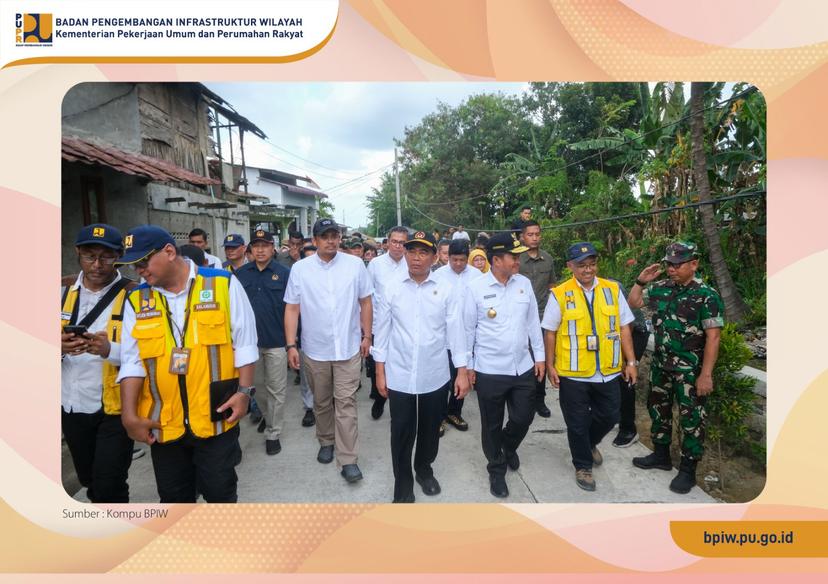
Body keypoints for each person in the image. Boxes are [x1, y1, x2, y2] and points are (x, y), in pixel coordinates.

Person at [117, 225, 258, 503]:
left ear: (169, 252)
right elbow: (132, 361)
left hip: (215, 416)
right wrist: (129, 416)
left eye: (143, 262)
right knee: (174, 500)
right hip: (163, 421)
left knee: (220, 495)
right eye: (134, 266)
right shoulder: (137, 299)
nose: (139, 271)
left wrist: (244, 393)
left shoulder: (222, 283)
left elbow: (245, 344)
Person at [373, 231, 470, 503]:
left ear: (435, 256)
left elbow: (456, 333)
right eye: (412, 251)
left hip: (434, 373)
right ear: (405, 254)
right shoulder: (392, 287)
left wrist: (462, 371)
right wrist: (380, 371)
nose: (416, 257)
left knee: (430, 430)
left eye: (423, 252)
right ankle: (402, 484)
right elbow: (382, 331)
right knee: (401, 431)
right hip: (400, 372)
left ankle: (424, 470)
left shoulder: (445, 289)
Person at [627, 241, 724, 494]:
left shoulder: (707, 295)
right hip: (661, 365)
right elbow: (633, 302)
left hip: (690, 370)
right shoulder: (661, 288)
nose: (672, 268)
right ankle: (661, 456)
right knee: (658, 410)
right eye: (669, 264)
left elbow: (713, 337)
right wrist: (640, 281)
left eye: (678, 264)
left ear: (694, 264)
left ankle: (688, 471)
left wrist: (706, 374)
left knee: (692, 418)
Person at [542, 242, 638, 492]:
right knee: (576, 422)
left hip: (607, 370)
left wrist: (630, 362)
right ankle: (583, 466)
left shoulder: (612, 289)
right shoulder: (560, 294)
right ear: (570, 267)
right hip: (572, 372)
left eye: (592, 264)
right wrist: (550, 365)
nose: (588, 270)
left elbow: (624, 327)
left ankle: (589, 443)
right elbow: (550, 332)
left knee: (610, 415)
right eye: (582, 265)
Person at [284, 218, 373, 483]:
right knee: (322, 401)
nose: (331, 241)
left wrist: (367, 336)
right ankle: (326, 440)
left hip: (348, 348)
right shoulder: (300, 269)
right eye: (325, 236)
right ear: (315, 240)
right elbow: (292, 308)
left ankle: (348, 459)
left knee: (346, 403)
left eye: (335, 236)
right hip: (315, 349)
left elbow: (366, 302)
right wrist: (291, 345)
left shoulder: (355, 265)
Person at [463, 233, 545, 499]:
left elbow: (532, 322)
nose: (518, 260)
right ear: (496, 260)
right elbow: (467, 330)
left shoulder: (523, 284)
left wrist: (540, 357)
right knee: (491, 425)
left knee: (523, 417)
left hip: (522, 366)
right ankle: (496, 469)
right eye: (513, 256)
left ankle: (508, 447)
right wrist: (468, 367)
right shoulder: (475, 288)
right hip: (490, 369)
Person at [61, 224, 136, 503]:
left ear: (119, 255)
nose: (97, 265)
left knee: (110, 484)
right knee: (89, 480)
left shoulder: (135, 294)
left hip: (113, 407)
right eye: (90, 256)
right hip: (71, 403)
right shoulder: (60, 289)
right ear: (77, 252)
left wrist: (109, 350)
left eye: (106, 257)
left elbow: (146, 353)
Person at [235, 230, 292, 456]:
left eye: (265, 245)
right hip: (249, 344)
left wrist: (292, 340)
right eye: (256, 246)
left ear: (272, 248)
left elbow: (292, 308)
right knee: (256, 388)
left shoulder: (284, 273)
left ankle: (273, 433)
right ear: (250, 249)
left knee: (277, 389)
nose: (260, 250)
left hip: (277, 341)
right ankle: (269, 418)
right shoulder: (240, 274)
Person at [432, 240, 482, 435]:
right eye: (454, 260)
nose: (458, 264)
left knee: (461, 377)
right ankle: (438, 417)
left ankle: (454, 412)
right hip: (443, 339)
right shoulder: (438, 276)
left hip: (467, 338)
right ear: (447, 257)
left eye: (462, 260)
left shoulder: (477, 276)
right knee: (441, 380)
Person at [365, 226, 409, 420]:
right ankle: (379, 398)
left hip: (405, 325)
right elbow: (367, 296)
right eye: (394, 242)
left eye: (402, 243)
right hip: (379, 323)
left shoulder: (411, 263)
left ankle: (400, 401)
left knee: (401, 363)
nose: (398, 246)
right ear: (387, 243)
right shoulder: (376, 264)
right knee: (378, 362)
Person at [518, 220, 557, 419]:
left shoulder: (548, 259)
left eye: (537, 234)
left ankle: (539, 400)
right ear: (522, 237)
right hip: (519, 316)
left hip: (542, 315)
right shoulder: (517, 260)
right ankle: (522, 399)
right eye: (530, 234)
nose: (534, 238)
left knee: (539, 357)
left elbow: (552, 286)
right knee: (521, 356)